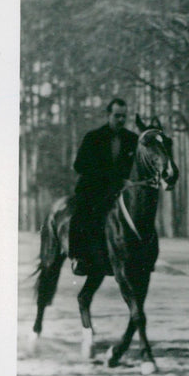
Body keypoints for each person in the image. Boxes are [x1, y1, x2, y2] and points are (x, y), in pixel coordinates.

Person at [68, 98, 139, 275]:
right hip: (93, 189)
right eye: (117, 116)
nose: (121, 120)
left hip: (119, 190)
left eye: (124, 116)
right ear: (108, 115)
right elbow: (79, 165)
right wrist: (109, 178)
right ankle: (78, 257)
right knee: (81, 214)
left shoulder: (132, 139)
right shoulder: (93, 137)